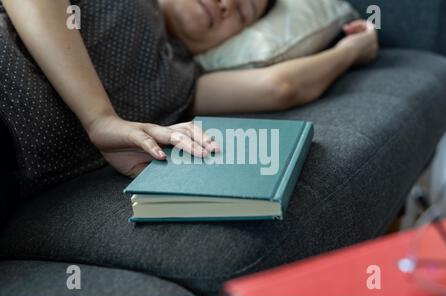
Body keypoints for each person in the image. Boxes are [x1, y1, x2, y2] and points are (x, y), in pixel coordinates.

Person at [0, 0, 378, 195]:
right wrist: (99, 117)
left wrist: (352, 51)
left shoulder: (185, 84)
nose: (228, 4)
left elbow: (280, 87)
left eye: (243, 13)